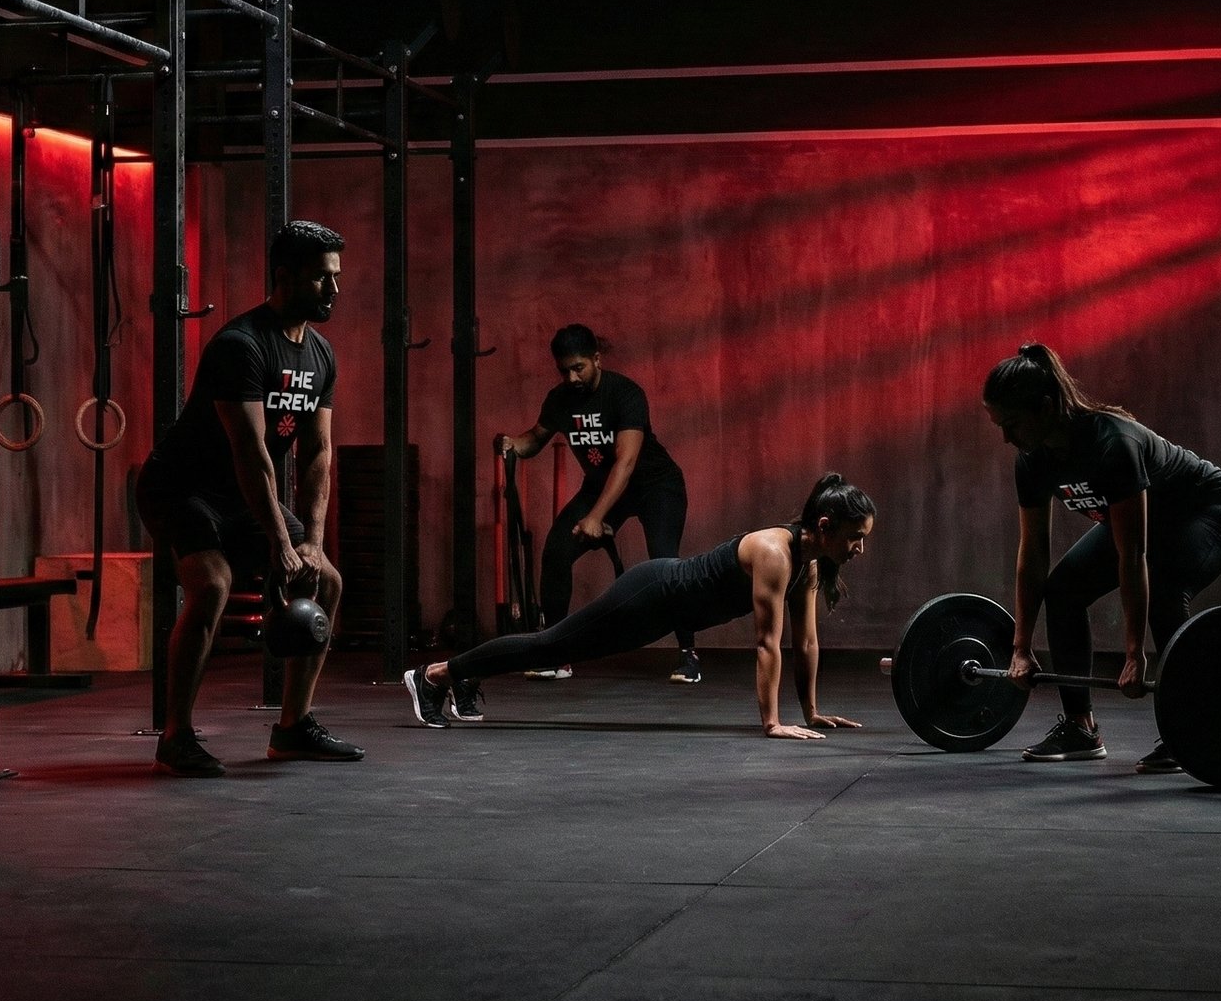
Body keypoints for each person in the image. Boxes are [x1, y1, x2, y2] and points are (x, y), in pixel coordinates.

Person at [136, 219, 363, 777]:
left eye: (336, 278)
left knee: (326, 578)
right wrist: (281, 544)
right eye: (321, 280)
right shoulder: (241, 346)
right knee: (211, 585)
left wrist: (309, 542)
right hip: (181, 488)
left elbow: (316, 455)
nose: (333, 291)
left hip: (239, 495)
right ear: (284, 277)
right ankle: (176, 736)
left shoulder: (321, 355)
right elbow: (252, 453)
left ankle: (292, 728)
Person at [403, 473, 875, 738]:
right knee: (551, 646)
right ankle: (436, 676)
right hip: (652, 592)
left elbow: (806, 642)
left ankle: (468, 675)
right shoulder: (776, 553)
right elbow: (767, 644)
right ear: (827, 524)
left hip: (666, 614)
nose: (859, 548)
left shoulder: (809, 564)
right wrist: (772, 723)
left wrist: (811, 712)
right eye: (855, 537)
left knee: (556, 649)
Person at [983, 341, 1221, 773]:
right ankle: (1080, 727)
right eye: (999, 425)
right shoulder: (1031, 462)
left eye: (1012, 424)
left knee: (1166, 591)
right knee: (1063, 590)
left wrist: (1133, 653)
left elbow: (1132, 555)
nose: (1006, 437)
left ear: (1047, 407)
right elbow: (1032, 555)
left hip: (1207, 509)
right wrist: (1020, 647)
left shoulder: (1112, 444)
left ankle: (1194, 725)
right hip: (1148, 525)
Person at [495, 324, 703, 685]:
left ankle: (689, 655)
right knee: (557, 551)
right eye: (564, 370)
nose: (572, 377)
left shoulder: (624, 394)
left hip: (655, 485)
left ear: (596, 359)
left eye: (579, 368)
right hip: (601, 487)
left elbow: (625, 462)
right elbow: (535, 439)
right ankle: (555, 654)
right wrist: (513, 443)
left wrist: (596, 517)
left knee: (665, 562)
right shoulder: (559, 399)